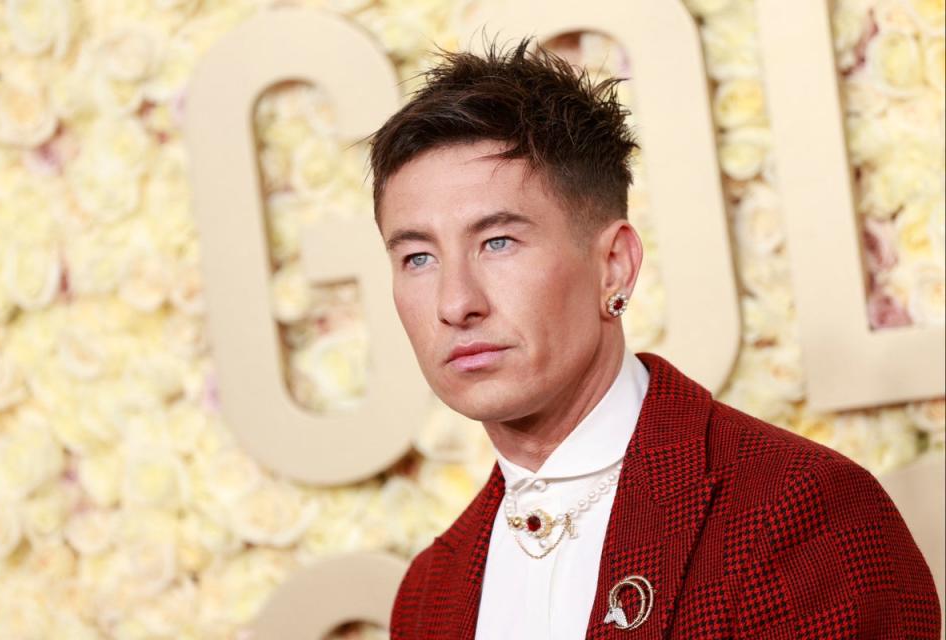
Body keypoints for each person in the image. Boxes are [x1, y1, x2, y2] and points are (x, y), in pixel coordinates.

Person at [368, 38, 941, 639]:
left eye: (499, 242)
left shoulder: (800, 511)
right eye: (417, 257)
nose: (456, 303)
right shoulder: (430, 592)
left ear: (614, 265)